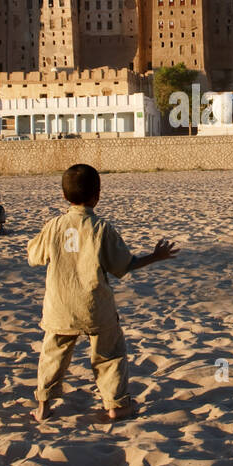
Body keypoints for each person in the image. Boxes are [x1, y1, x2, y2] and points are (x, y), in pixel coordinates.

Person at [26, 163, 177, 422]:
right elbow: (123, 265)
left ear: (64, 196)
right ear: (98, 195)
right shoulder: (101, 228)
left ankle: (43, 405)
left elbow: (33, 257)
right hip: (95, 307)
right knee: (110, 354)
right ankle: (116, 405)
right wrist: (154, 256)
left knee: (52, 355)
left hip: (59, 307)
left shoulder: (54, 226)